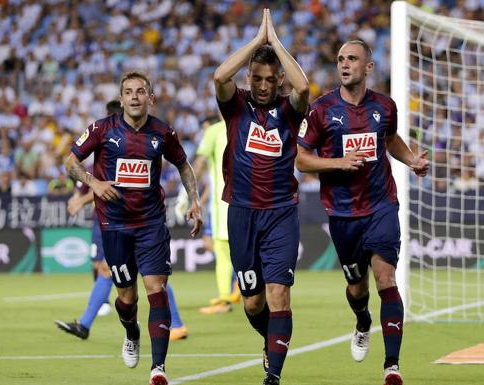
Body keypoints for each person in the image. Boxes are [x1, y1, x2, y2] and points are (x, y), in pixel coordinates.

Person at [295, 39, 430, 385]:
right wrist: (338, 162)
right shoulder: (321, 109)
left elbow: (390, 139)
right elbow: (300, 157)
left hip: (381, 205)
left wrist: (411, 158)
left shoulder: (385, 106)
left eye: (352, 58)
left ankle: (392, 366)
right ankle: (362, 321)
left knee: (386, 278)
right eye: (340, 58)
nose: (344, 64)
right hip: (342, 213)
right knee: (357, 287)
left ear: (368, 67)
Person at [64, 72, 202, 385]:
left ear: (150, 98)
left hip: (151, 223)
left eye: (141, 91)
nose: (135, 97)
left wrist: (194, 199)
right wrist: (94, 183)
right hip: (114, 225)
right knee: (127, 298)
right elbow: (70, 162)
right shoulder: (102, 128)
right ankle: (131, 331)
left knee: (157, 288)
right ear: (122, 98)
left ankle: (158, 368)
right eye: (129, 92)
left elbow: (183, 164)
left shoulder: (163, 132)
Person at [213, 9, 309, 385]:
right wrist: (257, 42)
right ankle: (271, 340)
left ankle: (274, 376)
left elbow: (303, 88)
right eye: (257, 78)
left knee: (278, 294)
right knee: (253, 302)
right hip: (242, 215)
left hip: (281, 215)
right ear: (249, 77)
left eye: (270, 79)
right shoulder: (235, 106)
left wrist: (276, 43)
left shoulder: (289, 111)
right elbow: (220, 75)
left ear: (278, 79)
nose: (263, 85)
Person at [55, 101, 189, 342]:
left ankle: (88, 324)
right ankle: (87, 323)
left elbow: (121, 183)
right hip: (109, 218)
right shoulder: (103, 139)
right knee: (118, 271)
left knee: (145, 276)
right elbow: (87, 175)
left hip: (129, 219)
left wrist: (82, 200)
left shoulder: (134, 140)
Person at [193, 117, 240, 314]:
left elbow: (199, 162)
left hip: (225, 202)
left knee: (222, 253)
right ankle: (249, 291)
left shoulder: (215, 130)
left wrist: (186, 191)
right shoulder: (251, 124)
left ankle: (224, 300)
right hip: (252, 201)